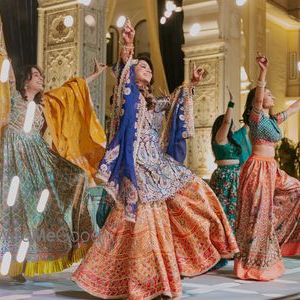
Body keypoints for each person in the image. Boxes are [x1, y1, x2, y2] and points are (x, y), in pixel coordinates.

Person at [72, 20, 238, 299]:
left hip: (158, 165)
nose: (147, 69)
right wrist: (127, 46)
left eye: (148, 67)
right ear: (131, 73)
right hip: (135, 166)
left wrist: (190, 85)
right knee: (145, 223)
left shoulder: (152, 101)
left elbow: (174, 104)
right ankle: (148, 281)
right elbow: (123, 78)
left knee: (197, 191)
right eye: (141, 65)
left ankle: (183, 261)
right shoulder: (128, 95)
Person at [0, 24, 106, 281]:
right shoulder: (15, 99)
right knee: (20, 209)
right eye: (36, 75)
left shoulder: (45, 104)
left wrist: (94, 75)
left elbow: (71, 92)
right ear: (25, 80)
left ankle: (78, 243)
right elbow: (5, 73)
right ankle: (16, 265)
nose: (41, 78)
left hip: (39, 157)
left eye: (41, 75)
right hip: (18, 158)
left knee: (77, 179)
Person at [235, 53, 300, 281]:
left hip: (272, 170)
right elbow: (258, 96)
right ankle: (251, 264)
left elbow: (292, 110)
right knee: (257, 215)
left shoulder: (272, 121)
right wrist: (263, 72)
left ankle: (273, 239)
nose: (271, 96)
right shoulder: (256, 118)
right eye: (267, 94)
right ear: (259, 99)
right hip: (257, 170)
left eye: (270, 94)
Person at [208, 88, 252, 270]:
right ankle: (220, 249)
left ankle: (233, 248)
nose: (231, 127)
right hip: (224, 178)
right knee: (224, 214)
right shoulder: (220, 137)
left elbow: (248, 125)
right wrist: (231, 103)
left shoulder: (233, 140)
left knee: (235, 216)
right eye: (229, 125)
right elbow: (226, 121)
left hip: (236, 178)